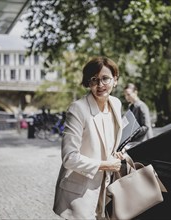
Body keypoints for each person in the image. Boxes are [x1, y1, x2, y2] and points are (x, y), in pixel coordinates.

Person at [53, 57, 125, 219]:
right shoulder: (78, 109)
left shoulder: (116, 104)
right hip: (80, 192)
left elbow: (108, 143)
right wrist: (106, 164)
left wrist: (117, 153)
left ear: (115, 80)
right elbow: (69, 158)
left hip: (107, 188)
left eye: (105, 78)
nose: (100, 85)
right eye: (94, 80)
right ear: (88, 82)